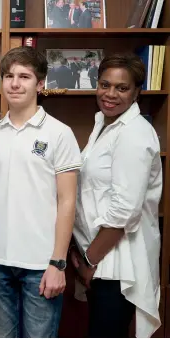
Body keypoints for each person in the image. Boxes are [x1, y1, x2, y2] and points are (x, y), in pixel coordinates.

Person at [0, 46, 82, 338]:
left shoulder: (59, 133)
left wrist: (58, 263)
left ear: (41, 84)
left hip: (41, 265)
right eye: (9, 76)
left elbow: (67, 200)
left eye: (24, 76)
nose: (15, 83)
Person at [70, 53, 162, 338]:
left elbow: (125, 211)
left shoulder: (134, 133)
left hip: (116, 264)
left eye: (122, 88)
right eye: (104, 84)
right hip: (99, 259)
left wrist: (89, 261)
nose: (110, 94)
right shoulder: (104, 123)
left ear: (137, 92)